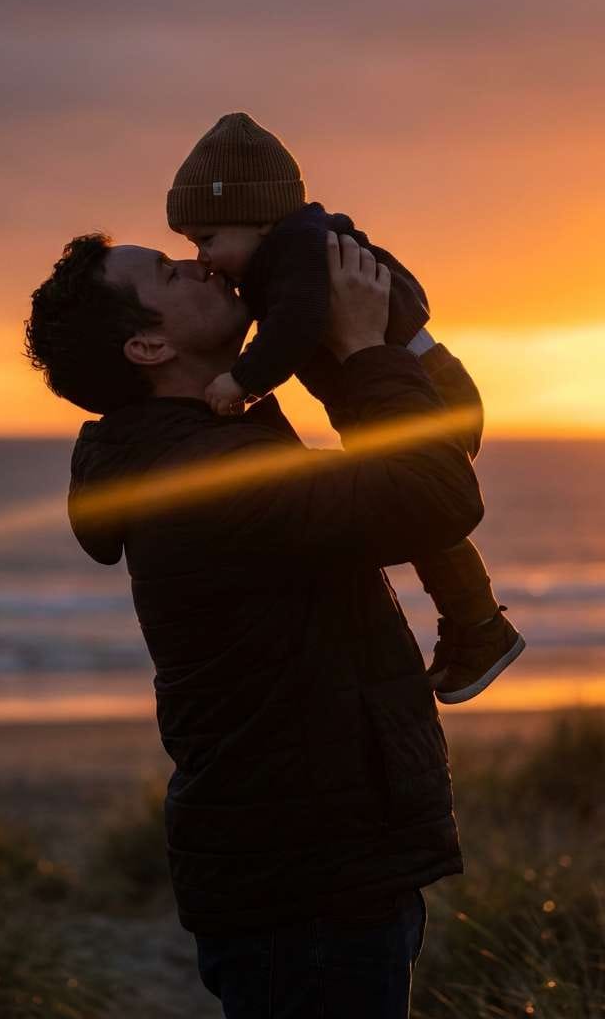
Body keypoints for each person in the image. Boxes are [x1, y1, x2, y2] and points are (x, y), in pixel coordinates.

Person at [24, 227, 485, 1017]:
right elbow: (435, 498)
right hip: (305, 883)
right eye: (170, 273)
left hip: (313, 867)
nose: (200, 263)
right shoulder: (207, 476)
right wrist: (369, 350)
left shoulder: (206, 448)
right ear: (147, 345)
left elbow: (407, 485)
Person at [165, 111, 524, 704]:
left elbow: (298, 326)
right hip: (400, 394)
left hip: (425, 392)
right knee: (420, 523)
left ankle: (480, 628)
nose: (201, 259)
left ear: (257, 217)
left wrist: (243, 381)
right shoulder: (287, 255)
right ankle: (475, 627)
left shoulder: (301, 252)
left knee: (425, 519)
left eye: (206, 240)